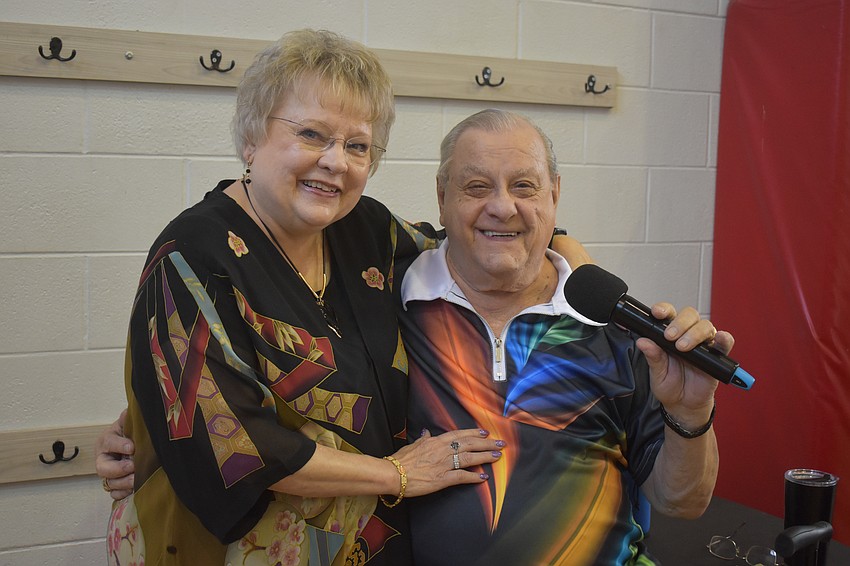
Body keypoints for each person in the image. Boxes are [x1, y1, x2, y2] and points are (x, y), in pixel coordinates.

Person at [103, 29, 514, 566]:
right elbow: (233, 450)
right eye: (312, 134)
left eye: (357, 145)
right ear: (251, 138)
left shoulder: (366, 230)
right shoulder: (193, 257)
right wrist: (399, 473)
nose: (336, 161)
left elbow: (474, 243)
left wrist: (570, 257)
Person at [398, 109, 726, 565]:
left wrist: (691, 411)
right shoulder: (388, 304)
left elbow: (682, 502)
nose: (502, 206)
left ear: (554, 195)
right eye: (476, 187)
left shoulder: (620, 328)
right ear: (441, 196)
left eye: (524, 186)